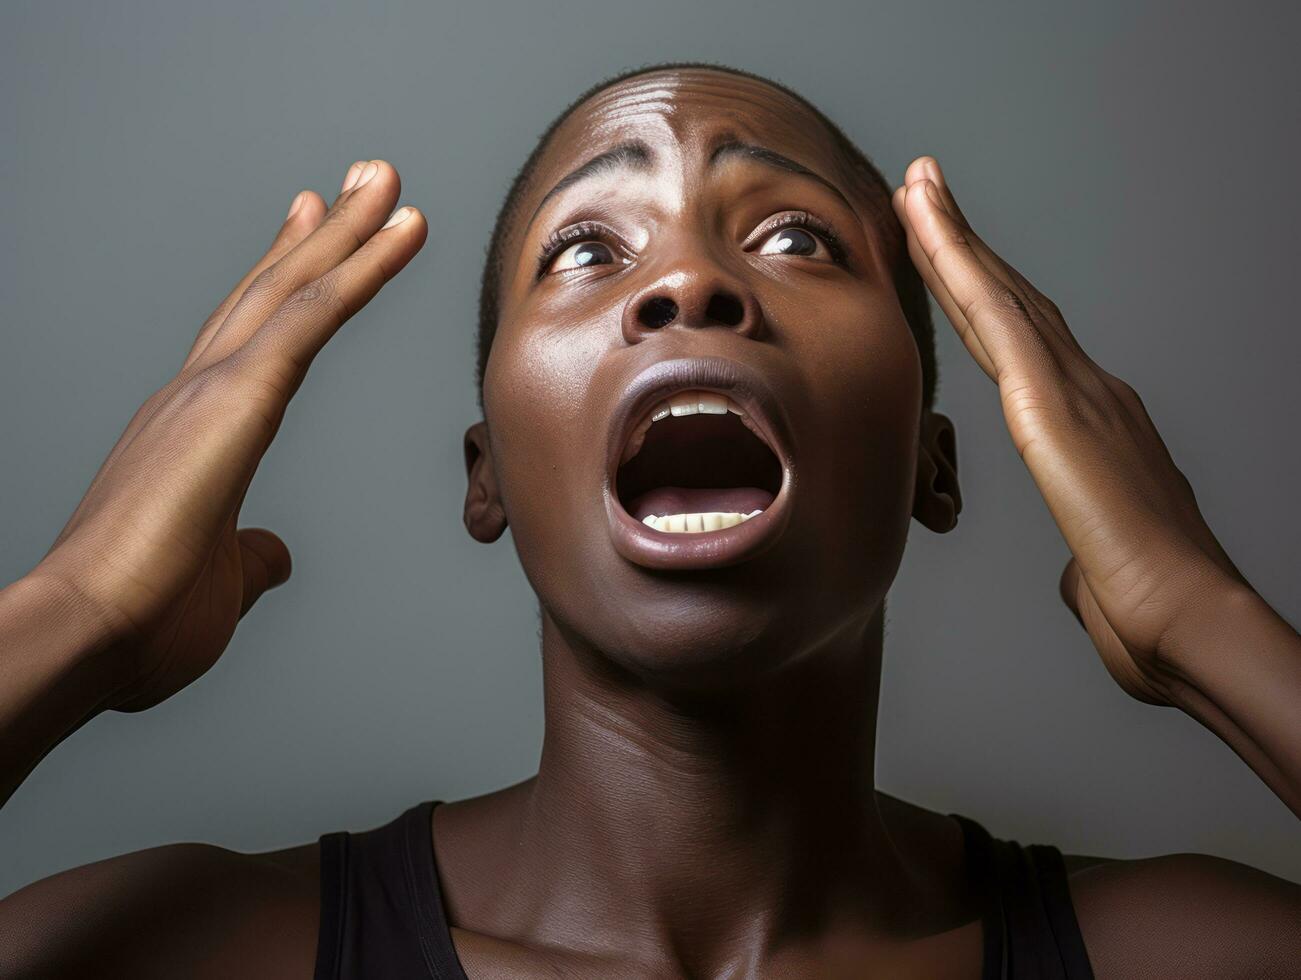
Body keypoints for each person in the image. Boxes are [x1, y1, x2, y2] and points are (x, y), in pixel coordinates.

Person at [0, 61, 1297, 979]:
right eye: (584, 249)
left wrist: (1202, 619)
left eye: (794, 237)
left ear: (929, 464)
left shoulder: (1192, 955)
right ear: (488, 474)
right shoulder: (169, 949)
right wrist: (74, 620)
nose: (687, 280)